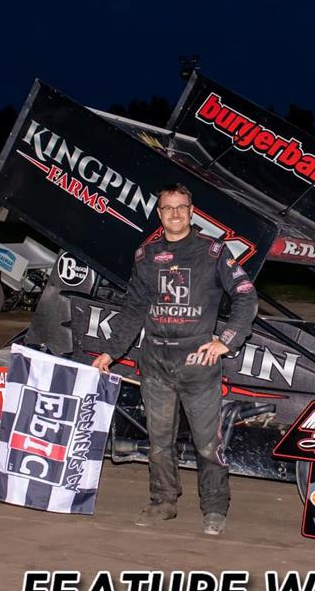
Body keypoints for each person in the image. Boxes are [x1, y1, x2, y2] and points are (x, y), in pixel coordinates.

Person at [92, 183, 257, 536]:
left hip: (198, 365)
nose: (176, 214)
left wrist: (226, 341)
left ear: (192, 211)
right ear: (159, 213)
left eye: (181, 207)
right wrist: (111, 351)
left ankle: (214, 509)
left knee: (207, 444)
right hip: (155, 364)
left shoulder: (212, 252)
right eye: (168, 208)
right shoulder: (146, 256)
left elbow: (245, 296)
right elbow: (133, 308)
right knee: (159, 441)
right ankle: (163, 502)